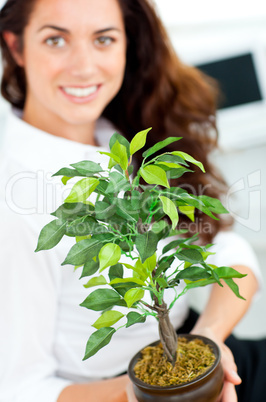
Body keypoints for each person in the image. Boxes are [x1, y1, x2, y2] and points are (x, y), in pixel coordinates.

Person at [0, 0, 263, 401]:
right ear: (15, 47)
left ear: (128, 45)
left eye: (104, 39)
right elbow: (20, 388)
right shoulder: (14, 192)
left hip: (202, 346)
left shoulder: (120, 131)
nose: (84, 66)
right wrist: (151, 390)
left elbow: (225, 248)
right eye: (56, 40)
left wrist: (210, 339)